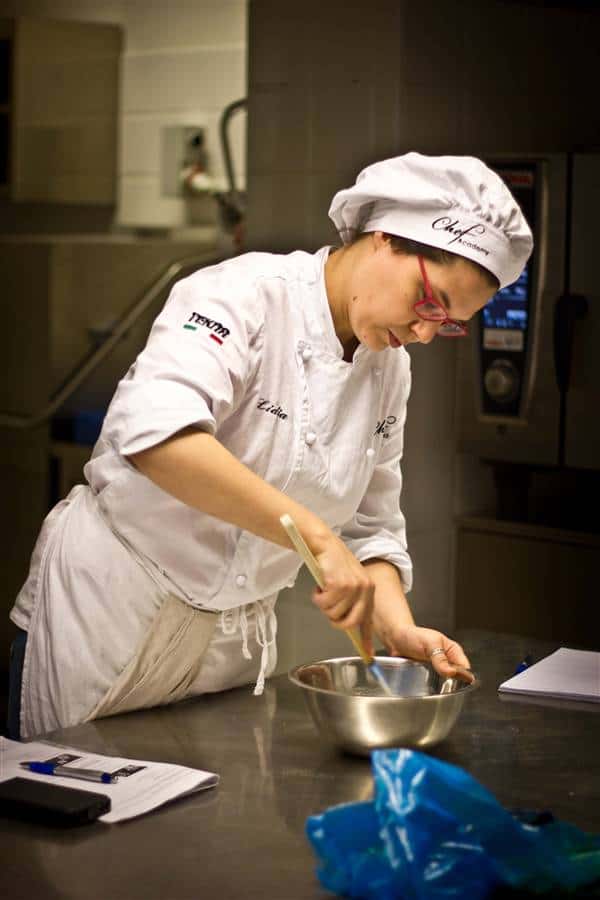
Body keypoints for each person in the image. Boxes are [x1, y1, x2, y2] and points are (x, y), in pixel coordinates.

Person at [7, 152, 533, 740]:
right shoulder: (242, 296)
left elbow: (370, 527)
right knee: (69, 787)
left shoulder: (390, 367)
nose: (426, 332)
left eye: (449, 322)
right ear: (386, 238)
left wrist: (398, 629)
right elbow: (157, 438)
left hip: (228, 649)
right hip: (108, 617)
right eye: (428, 301)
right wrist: (315, 537)